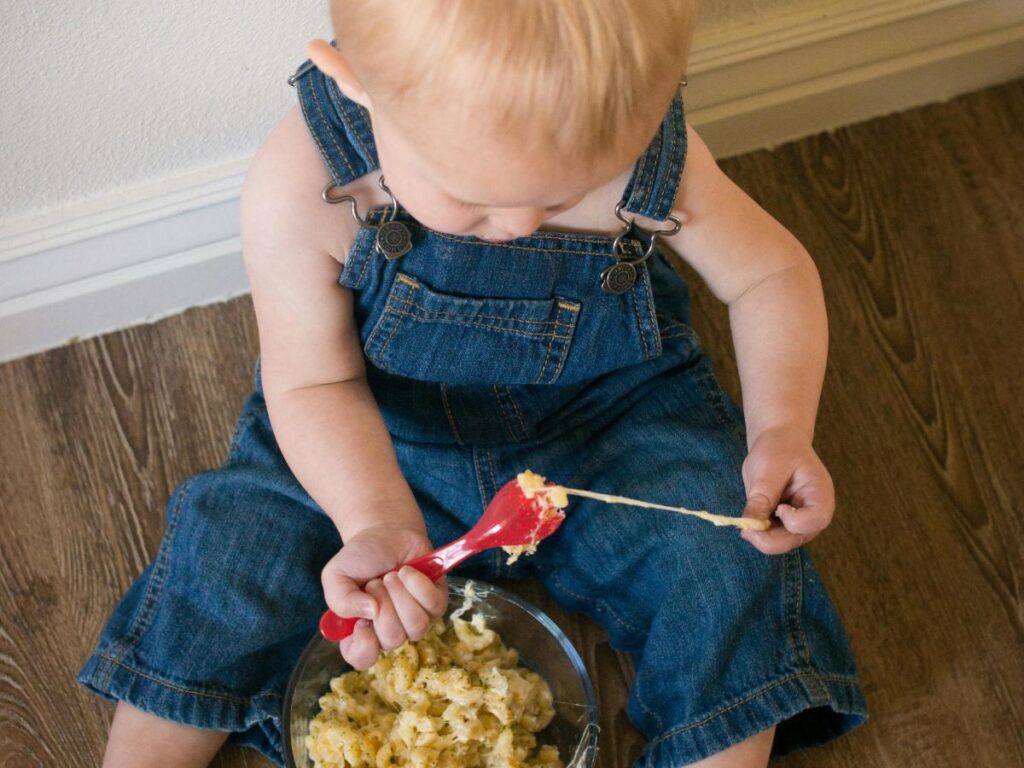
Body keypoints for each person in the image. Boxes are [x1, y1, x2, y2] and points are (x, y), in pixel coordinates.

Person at [79, 1, 867, 766]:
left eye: (562, 195)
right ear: (356, 82)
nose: (520, 222)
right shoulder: (305, 186)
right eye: (473, 195)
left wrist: (781, 429)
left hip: (608, 420)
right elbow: (313, 384)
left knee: (727, 564)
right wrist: (373, 520)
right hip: (372, 432)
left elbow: (769, 273)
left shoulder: (649, 156)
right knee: (230, 554)